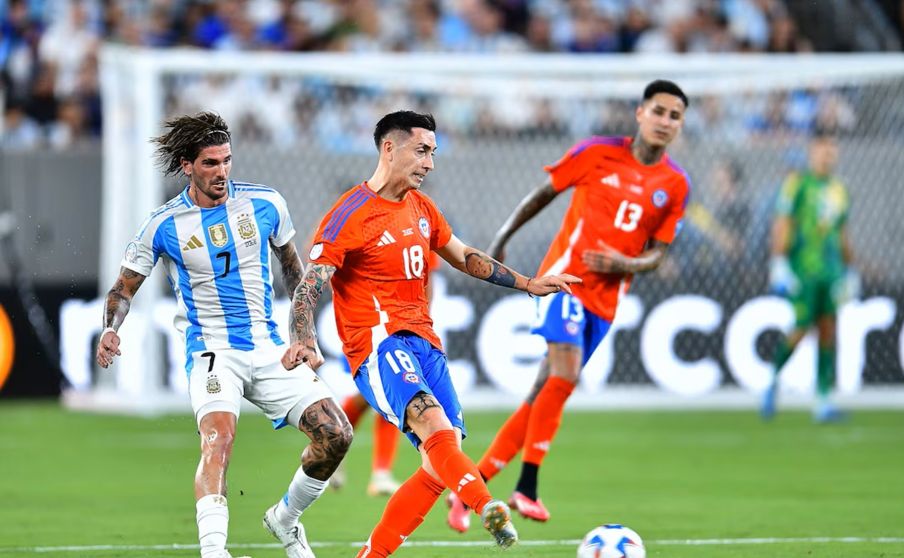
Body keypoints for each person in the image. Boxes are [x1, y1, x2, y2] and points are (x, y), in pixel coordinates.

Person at [283, 110, 579, 557]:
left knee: (440, 460)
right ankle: (484, 505)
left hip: (426, 344)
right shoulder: (350, 213)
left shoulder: (422, 208)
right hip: (379, 342)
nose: (430, 163)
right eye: (421, 151)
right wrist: (303, 337)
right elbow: (311, 282)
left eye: (433, 153)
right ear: (389, 148)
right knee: (432, 424)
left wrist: (528, 283)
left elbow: (464, 255)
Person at [96, 112, 352, 558]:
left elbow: (296, 272)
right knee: (219, 440)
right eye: (210, 163)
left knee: (336, 435)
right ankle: (214, 552)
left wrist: (303, 335)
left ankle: (285, 520)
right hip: (212, 349)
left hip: (269, 345)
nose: (221, 172)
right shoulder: (163, 224)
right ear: (186, 165)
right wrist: (110, 329)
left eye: (227, 160)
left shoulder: (266, 204)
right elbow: (122, 289)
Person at [447, 79, 693, 531]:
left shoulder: (675, 185)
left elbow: (659, 253)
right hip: (563, 281)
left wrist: (626, 262)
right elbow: (541, 196)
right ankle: (527, 486)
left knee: (543, 395)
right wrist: (501, 240)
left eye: (675, 116)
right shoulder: (597, 152)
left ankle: (468, 490)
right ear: (640, 113)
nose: (665, 121)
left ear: (680, 126)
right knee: (565, 373)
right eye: (658, 111)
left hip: (607, 298)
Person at [762, 127, 859, 423]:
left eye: (832, 149)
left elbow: (842, 234)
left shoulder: (840, 190)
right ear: (811, 151)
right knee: (802, 327)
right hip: (803, 269)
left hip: (831, 272)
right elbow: (782, 224)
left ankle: (823, 400)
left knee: (829, 329)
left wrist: (850, 269)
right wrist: (778, 263)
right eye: (822, 148)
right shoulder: (797, 184)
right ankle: (773, 379)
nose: (827, 154)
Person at [331, 252, 443, 497]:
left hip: (405, 326)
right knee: (368, 396)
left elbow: (426, 276)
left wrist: (423, 320)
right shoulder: (350, 219)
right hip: (367, 325)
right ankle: (332, 445)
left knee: (400, 392)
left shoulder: (420, 219)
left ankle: (381, 473)